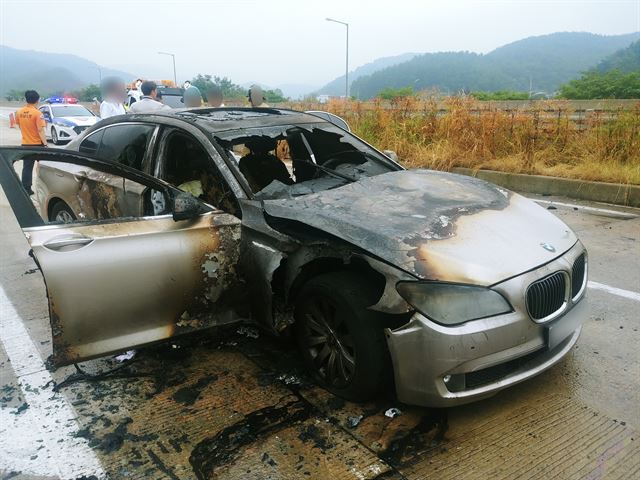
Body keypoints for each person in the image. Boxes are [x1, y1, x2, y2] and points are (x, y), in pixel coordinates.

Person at [15, 90, 47, 195]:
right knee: (43, 166)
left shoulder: (19, 112)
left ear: (26, 99)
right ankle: (45, 188)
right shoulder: (37, 113)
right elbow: (40, 130)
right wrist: (45, 144)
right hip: (38, 144)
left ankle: (26, 189)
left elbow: (19, 126)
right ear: (37, 100)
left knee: (27, 167)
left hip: (25, 144)